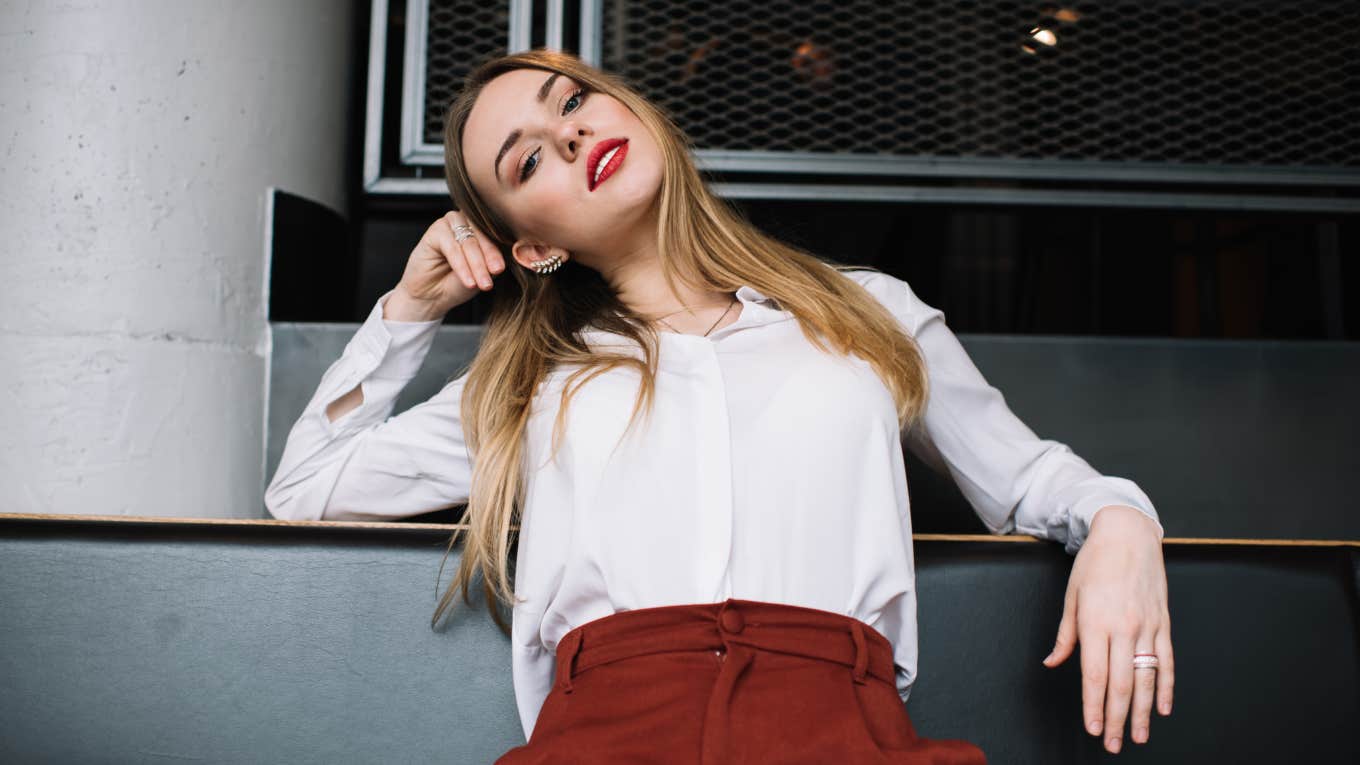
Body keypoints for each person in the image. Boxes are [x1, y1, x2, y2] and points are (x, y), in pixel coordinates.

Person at [265, 49, 1174, 762]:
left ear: (626, 107)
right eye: (529, 157)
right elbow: (303, 487)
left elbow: (1028, 480)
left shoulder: (869, 312)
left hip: (844, 730)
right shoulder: (528, 383)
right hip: (603, 736)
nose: (572, 136)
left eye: (571, 101)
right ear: (531, 243)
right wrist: (412, 308)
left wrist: (1121, 522)